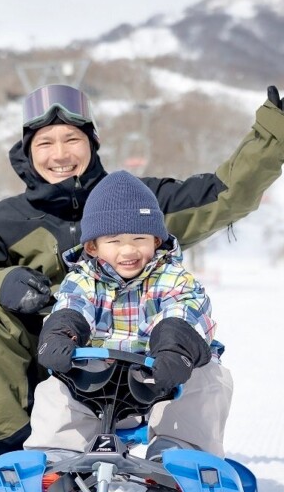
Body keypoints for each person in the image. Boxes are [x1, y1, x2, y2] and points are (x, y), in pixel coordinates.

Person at [0, 69, 284, 454]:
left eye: (72, 139)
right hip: (56, 363)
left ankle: (176, 449)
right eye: (45, 143)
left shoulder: (141, 204)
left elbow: (225, 196)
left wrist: (277, 134)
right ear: (28, 153)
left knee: (203, 362)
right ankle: (25, 452)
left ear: (93, 142)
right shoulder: (7, 218)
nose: (60, 154)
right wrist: (3, 281)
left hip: (142, 362)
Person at [27, 171, 222, 461]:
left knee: (206, 375)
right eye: (114, 241)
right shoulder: (83, 279)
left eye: (139, 238)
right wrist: (60, 333)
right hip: (95, 386)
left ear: (156, 240)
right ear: (93, 246)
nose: (128, 250)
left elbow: (184, 311)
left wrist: (176, 347)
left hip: (160, 384)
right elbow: (73, 307)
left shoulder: (173, 279)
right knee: (55, 388)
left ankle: (182, 452)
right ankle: (56, 454)